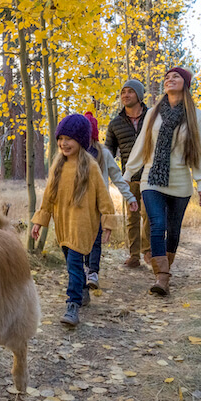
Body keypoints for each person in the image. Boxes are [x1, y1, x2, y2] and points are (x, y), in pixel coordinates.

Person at [124, 67, 201, 296]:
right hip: (151, 178)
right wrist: (127, 174)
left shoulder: (195, 115)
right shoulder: (153, 112)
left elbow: (200, 150)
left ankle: (165, 268)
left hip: (180, 180)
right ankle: (161, 277)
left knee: (173, 231)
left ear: (185, 84)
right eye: (167, 77)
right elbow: (141, 144)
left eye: (176, 77)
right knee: (157, 224)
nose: (170, 80)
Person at [30, 114, 116, 328]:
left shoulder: (91, 167)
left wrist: (108, 222)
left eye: (69, 138)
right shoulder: (58, 166)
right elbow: (48, 197)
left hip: (83, 226)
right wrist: (39, 221)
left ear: (81, 140)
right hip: (63, 226)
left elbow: (103, 197)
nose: (64, 143)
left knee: (74, 266)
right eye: (61, 138)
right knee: (73, 264)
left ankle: (72, 305)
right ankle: (83, 290)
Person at [82, 111, 139, 291]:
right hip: (78, 206)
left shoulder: (104, 154)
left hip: (99, 206)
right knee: (82, 238)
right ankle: (84, 268)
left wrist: (130, 197)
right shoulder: (75, 154)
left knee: (95, 239)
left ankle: (92, 272)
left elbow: (117, 178)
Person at [104, 79, 151, 269]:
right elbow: (108, 151)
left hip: (152, 176)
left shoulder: (152, 118)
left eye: (130, 91)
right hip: (129, 178)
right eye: (123, 92)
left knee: (149, 215)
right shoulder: (115, 123)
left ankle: (148, 251)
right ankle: (134, 256)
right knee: (132, 218)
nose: (125, 95)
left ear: (139, 95)